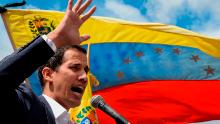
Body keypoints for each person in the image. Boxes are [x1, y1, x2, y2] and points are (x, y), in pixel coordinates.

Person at [0, 0, 96, 123]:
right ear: (48, 74)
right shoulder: (24, 104)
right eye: (75, 67)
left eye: (85, 70)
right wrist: (57, 38)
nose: (84, 77)